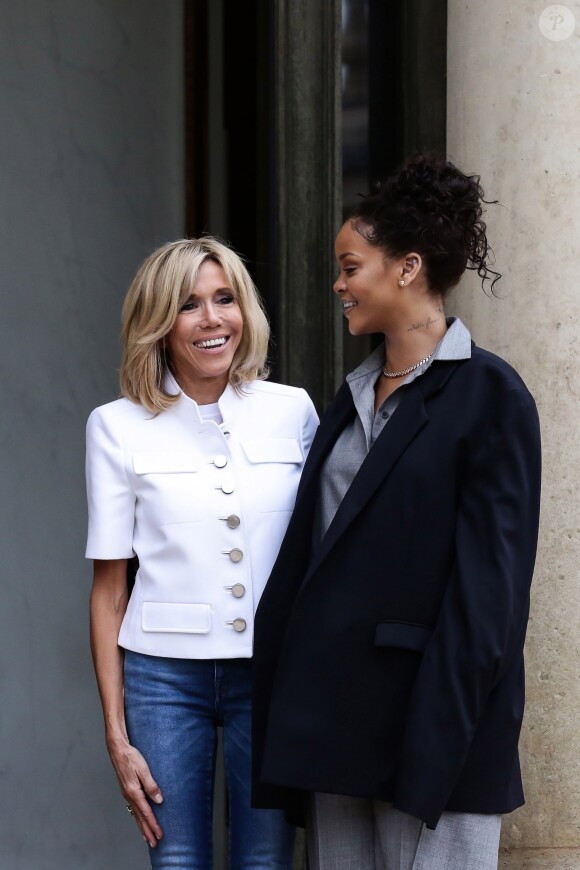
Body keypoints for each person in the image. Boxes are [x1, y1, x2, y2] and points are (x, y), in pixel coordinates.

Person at [252, 156, 541, 870]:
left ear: (408, 268)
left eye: (351, 266)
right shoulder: (345, 401)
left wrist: (435, 751)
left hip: (433, 740)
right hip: (336, 735)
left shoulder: (491, 397)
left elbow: (489, 604)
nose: (339, 284)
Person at [86, 237, 318, 868]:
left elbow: (321, 558)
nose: (212, 319)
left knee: (265, 862)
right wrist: (115, 732)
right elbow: (110, 589)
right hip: (162, 677)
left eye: (225, 299)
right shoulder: (115, 425)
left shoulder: (292, 410)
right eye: (189, 305)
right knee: (178, 859)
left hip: (270, 672)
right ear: (159, 323)